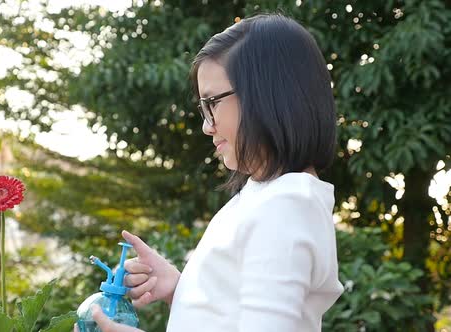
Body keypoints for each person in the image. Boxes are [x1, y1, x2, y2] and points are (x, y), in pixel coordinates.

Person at [75, 13, 344, 332]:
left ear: (268, 95)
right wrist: (181, 290)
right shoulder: (264, 196)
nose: (207, 126)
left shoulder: (286, 205)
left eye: (212, 103)